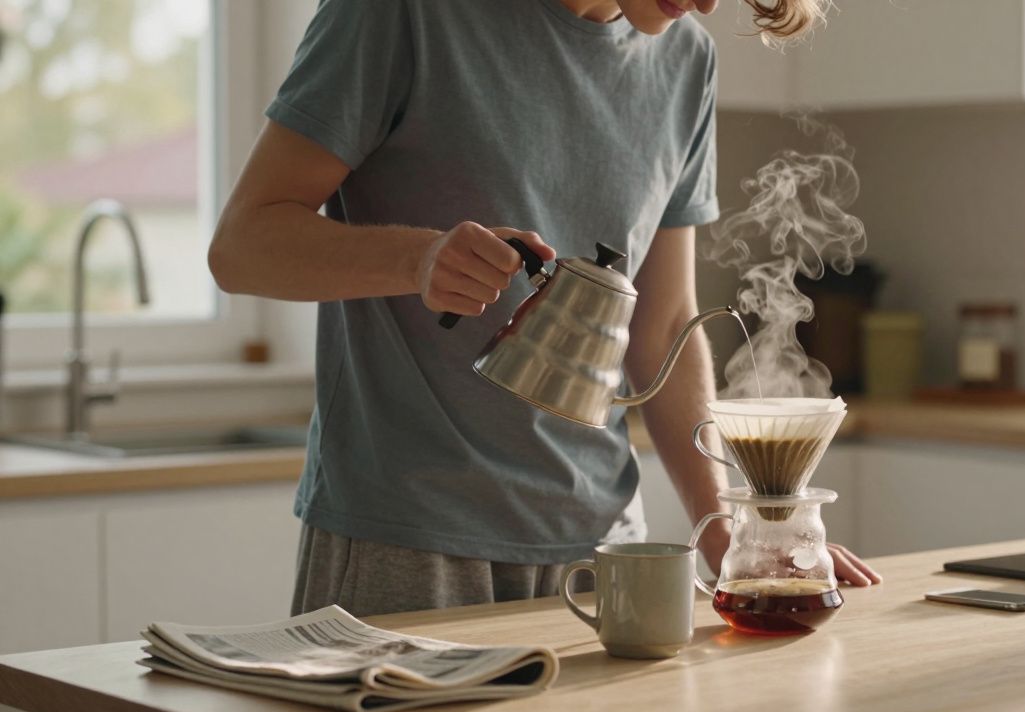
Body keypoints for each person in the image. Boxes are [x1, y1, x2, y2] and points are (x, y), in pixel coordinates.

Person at [208, 0, 880, 617]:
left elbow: (666, 324)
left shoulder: (685, 59)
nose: (704, 4)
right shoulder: (401, 12)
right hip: (408, 535)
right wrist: (417, 260)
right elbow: (241, 246)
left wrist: (731, 537)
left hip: (604, 551)